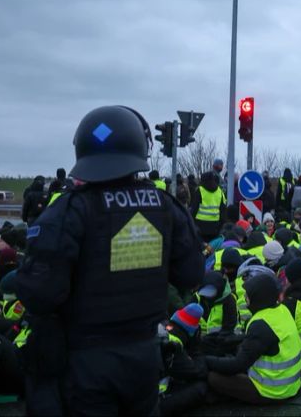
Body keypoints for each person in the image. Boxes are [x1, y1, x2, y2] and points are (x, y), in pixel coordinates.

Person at [16, 105, 205, 415]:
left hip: (85, 361)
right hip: (145, 358)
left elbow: (39, 293)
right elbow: (191, 273)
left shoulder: (69, 210)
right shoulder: (165, 206)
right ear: (140, 147)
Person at [206, 272, 301, 403]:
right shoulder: (281, 310)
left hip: (272, 391)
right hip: (291, 385)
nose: (245, 297)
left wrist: (206, 361)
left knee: (213, 377)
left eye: (248, 294)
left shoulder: (260, 324)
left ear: (258, 297)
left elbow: (238, 365)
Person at [190, 170, 228, 242]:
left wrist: (191, 223)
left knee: (201, 247)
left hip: (200, 224)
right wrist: (221, 225)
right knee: (212, 247)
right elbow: (223, 210)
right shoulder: (220, 191)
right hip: (215, 225)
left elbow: (194, 209)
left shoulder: (200, 190)